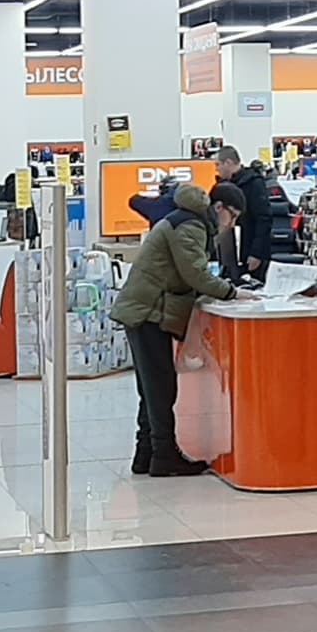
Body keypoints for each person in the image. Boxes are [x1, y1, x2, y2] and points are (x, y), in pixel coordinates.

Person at [110, 180, 237, 475]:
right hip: (149, 311)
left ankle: (146, 454)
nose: (232, 224)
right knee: (161, 388)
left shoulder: (180, 218)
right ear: (219, 208)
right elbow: (195, 274)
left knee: (152, 388)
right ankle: (163, 455)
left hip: (143, 309)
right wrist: (231, 292)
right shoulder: (190, 225)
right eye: (233, 216)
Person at [211, 144, 290, 286]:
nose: (217, 169)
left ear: (228, 162)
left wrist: (257, 253)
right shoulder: (222, 186)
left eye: (218, 165)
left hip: (249, 248)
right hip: (227, 249)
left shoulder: (253, 183)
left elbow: (264, 219)